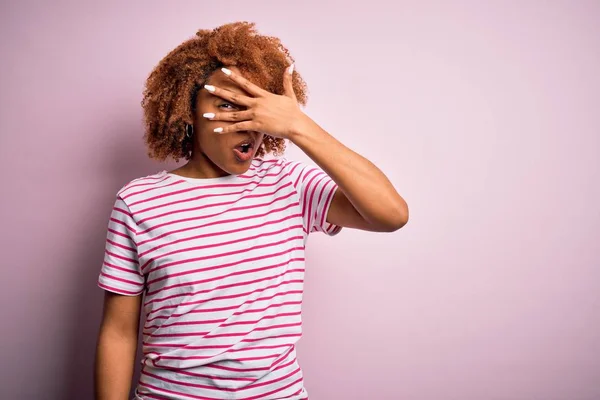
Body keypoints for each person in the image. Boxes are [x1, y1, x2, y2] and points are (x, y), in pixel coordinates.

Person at [94, 21, 408, 400]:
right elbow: (118, 331)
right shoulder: (139, 202)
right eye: (227, 105)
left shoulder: (289, 184)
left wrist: (299, 126)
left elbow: (391, 214)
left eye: (257, 108)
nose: (248, 122)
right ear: (187, 111)